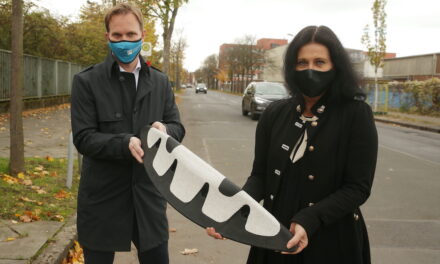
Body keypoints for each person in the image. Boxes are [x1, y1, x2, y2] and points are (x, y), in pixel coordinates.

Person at [207, 25, 378, 264]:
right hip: (274, 236)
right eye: (302, 62)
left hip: (333, 241)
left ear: (335, 67)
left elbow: (357, 188)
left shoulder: (356, 114)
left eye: (319, 62)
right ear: (292, 67)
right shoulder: (275, 113)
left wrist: (310, 219)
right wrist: (233, 210)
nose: (310, 70)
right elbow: (260, 177)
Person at [70, 3, 185, 264]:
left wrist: (166, 130)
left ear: (143, 35)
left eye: (131, 35)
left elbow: (177, 128)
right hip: (102, 198)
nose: (125, 42)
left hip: (148, 196)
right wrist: (125, 143)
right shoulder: (86, 82)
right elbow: (84, 137)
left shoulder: (160, 82)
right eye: (117, 36)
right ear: (107, 37)